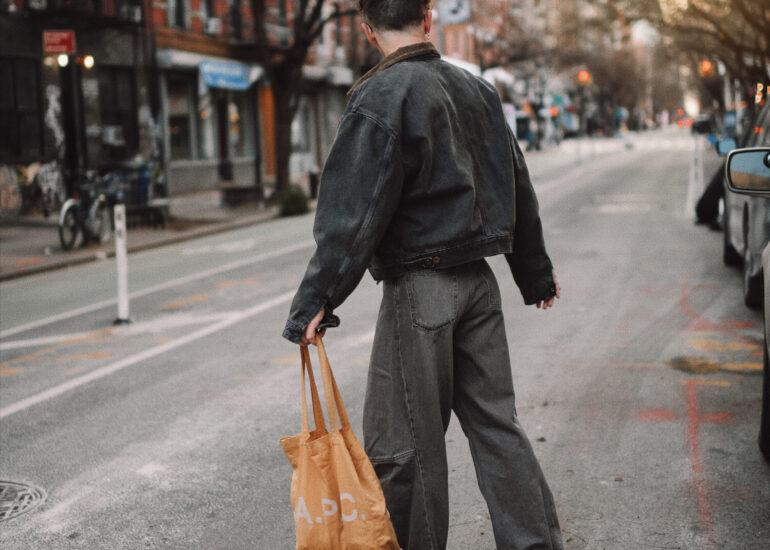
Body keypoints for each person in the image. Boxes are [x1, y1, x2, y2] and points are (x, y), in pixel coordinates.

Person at [282, 1, 563, 548]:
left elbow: (353, 212)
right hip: (480, 285)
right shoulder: (479, 91)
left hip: (421, 291)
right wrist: (534, 273)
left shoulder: (379, 96)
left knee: (406, 447)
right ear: (428, 18)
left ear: (367, 31)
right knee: (497, 428)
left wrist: (318, 298)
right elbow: (516, 180)